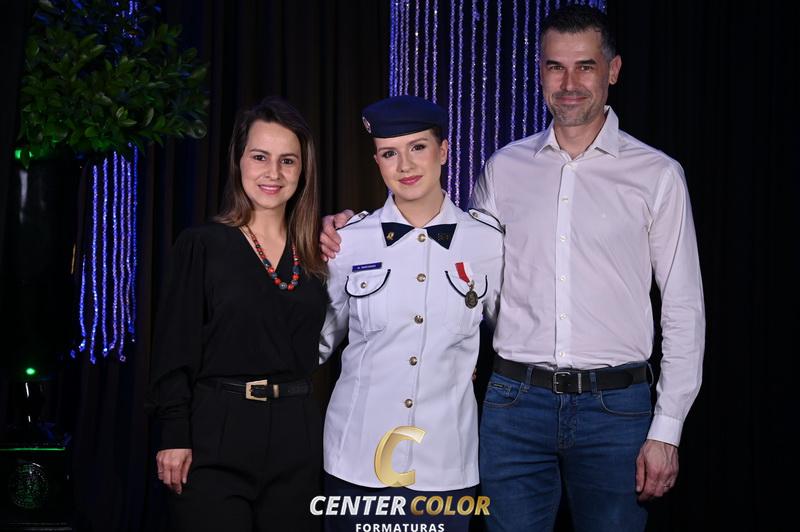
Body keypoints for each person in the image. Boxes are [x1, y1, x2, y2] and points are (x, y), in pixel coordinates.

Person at [321, 5, 705, 531]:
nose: (569, 84)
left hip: (616, 410)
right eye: (555, 67)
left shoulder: (657, 175)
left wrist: (668, 427)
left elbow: (684, 308)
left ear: (613, 70)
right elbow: (464, 273)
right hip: (515, 405)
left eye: (585, 66)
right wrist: (348, 233)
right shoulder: (503, 169)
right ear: (540, 72)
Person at [318, 95, 503, 532]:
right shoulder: (348, 242)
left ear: (443, 151)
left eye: (418, 147)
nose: (405, 165)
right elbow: (317, 343)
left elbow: (513, 339)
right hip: (355, 460)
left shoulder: (487, 242)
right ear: (377, 162)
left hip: (445, 466)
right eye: (389, 153)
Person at [147, 96, 328, 531]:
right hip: (217, 434)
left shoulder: (321, 253)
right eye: (260, 157)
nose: (273, 173)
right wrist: (174, 434)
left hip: (298, 436)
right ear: (239, 161)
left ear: (303, 170)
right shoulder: (203, 245)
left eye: (288, 160)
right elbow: (174, 347)